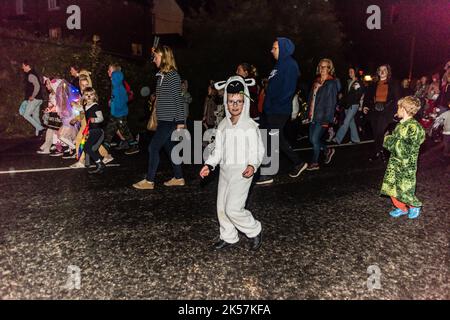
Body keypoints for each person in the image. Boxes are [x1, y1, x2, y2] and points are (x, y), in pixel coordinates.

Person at [200, 76, 264, 251]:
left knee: (233, 208)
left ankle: (254, 229)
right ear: (226, 102)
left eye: (239, 101)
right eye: (231, 101)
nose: (235, 105)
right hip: (225, 172)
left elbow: (257, 150)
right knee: (221, 206)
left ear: (245, 103)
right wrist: (210, 165)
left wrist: (252, 165)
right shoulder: (222, 126)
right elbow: (217, 151)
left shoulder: (250, 126)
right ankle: (228, 236)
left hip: (242, 172)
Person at [133, 45, 186, 190]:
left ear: (163, 57)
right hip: (163, 118)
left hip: (170, 120)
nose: (153, 60)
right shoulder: (161, 76)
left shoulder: (173, 75)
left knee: (153, 148)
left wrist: (180, 122)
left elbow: (178, 99)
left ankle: (149, 181)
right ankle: (179, 177)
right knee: (169, 148)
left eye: (156, 57)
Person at [256, 38, 307, 185]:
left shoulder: (290, 64)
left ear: (283, 48)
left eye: (275, 48)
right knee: (272, 138)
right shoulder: (279, 65)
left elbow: (288, 90)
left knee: (272, 139)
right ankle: (296, 163)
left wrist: (275, 104)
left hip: (279, 110)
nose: (272, 50)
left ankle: (268, 173)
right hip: (271, 110)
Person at [381, 96, 425, 219]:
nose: (397, 110)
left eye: (399, 107)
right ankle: (401, 208)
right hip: (395, 163)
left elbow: (404, 149)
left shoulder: (413, 127)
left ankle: (414, 206)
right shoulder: (401, 125)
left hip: (406, 165)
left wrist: (388, 140)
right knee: (392, 188)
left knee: (405, 188)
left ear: (404, 109)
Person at [306, 59, 340, 171]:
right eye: (321, 66)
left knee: (315, 139)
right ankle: (327, 150)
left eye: (325, 67)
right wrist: (307, 114)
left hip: (323, 117)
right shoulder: (316, 81)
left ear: (330, 69)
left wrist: (327, 119)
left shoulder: (331, 83)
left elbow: (331, 103)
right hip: (313, 115)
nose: (322, 68)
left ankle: (315, 163)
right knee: (312, 139)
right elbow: (311, 99)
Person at [363, 64, 401, 162]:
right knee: (375, 132)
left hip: (387, 110)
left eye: (385, 69)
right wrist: (365, 106)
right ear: (378, 72)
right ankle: (379, 151)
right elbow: (368, 96)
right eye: (380, 70)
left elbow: (398, 98)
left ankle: (379, 152)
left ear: (388, 72)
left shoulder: (394, 83)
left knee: (380, 131)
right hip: (374, 110)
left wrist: (399, 110)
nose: (382, 71)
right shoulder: (373, 84)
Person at [103, 64, 139, 155]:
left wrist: (114, 104)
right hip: (115, 112)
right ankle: (104, 148)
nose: (108, 72)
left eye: (109, 70)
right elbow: (116, 97)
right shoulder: (115, 83)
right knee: (109, 130)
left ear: (115, 73)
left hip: (119, 113)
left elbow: (124, 98)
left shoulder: (118, 83)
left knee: (124, 131)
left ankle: (134, 146)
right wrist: (112, 101)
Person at [80, 87, 107, 174]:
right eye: (86, 95)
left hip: (97, 130)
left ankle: (100, 163)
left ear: (94, 96)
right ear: (83, 96)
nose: (88, 96)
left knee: (87, 147)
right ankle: (99, 163)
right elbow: (82, 115)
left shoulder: (95, 106)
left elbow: (101, 118)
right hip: (91, 131)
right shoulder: (85, 106)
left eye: (91, 95)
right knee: (89, 148)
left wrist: (94, 120)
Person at [334, 66, 363, 145]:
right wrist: (339, 104)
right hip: (347, 105)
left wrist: (355, 99)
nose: (349, 73)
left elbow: (359, 93)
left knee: (346, 122)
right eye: (349, 72)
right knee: (351, 123)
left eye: (351, 72)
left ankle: (337, 138)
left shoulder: (358, 82)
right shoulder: (349, 82)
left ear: (355, 73)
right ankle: (356, 139)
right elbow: (345, 96)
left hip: (353, 105)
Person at [20, 61, 44, 136]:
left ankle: (40, 128)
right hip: (39, 99)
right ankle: (38, 134)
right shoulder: (32, 74)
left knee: (26, 114)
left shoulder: (31, 75)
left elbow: (37, 86)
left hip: (34, 99)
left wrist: (33, 96)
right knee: (35, 116)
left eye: (23, 66)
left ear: (27, 66)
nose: (22, 67)